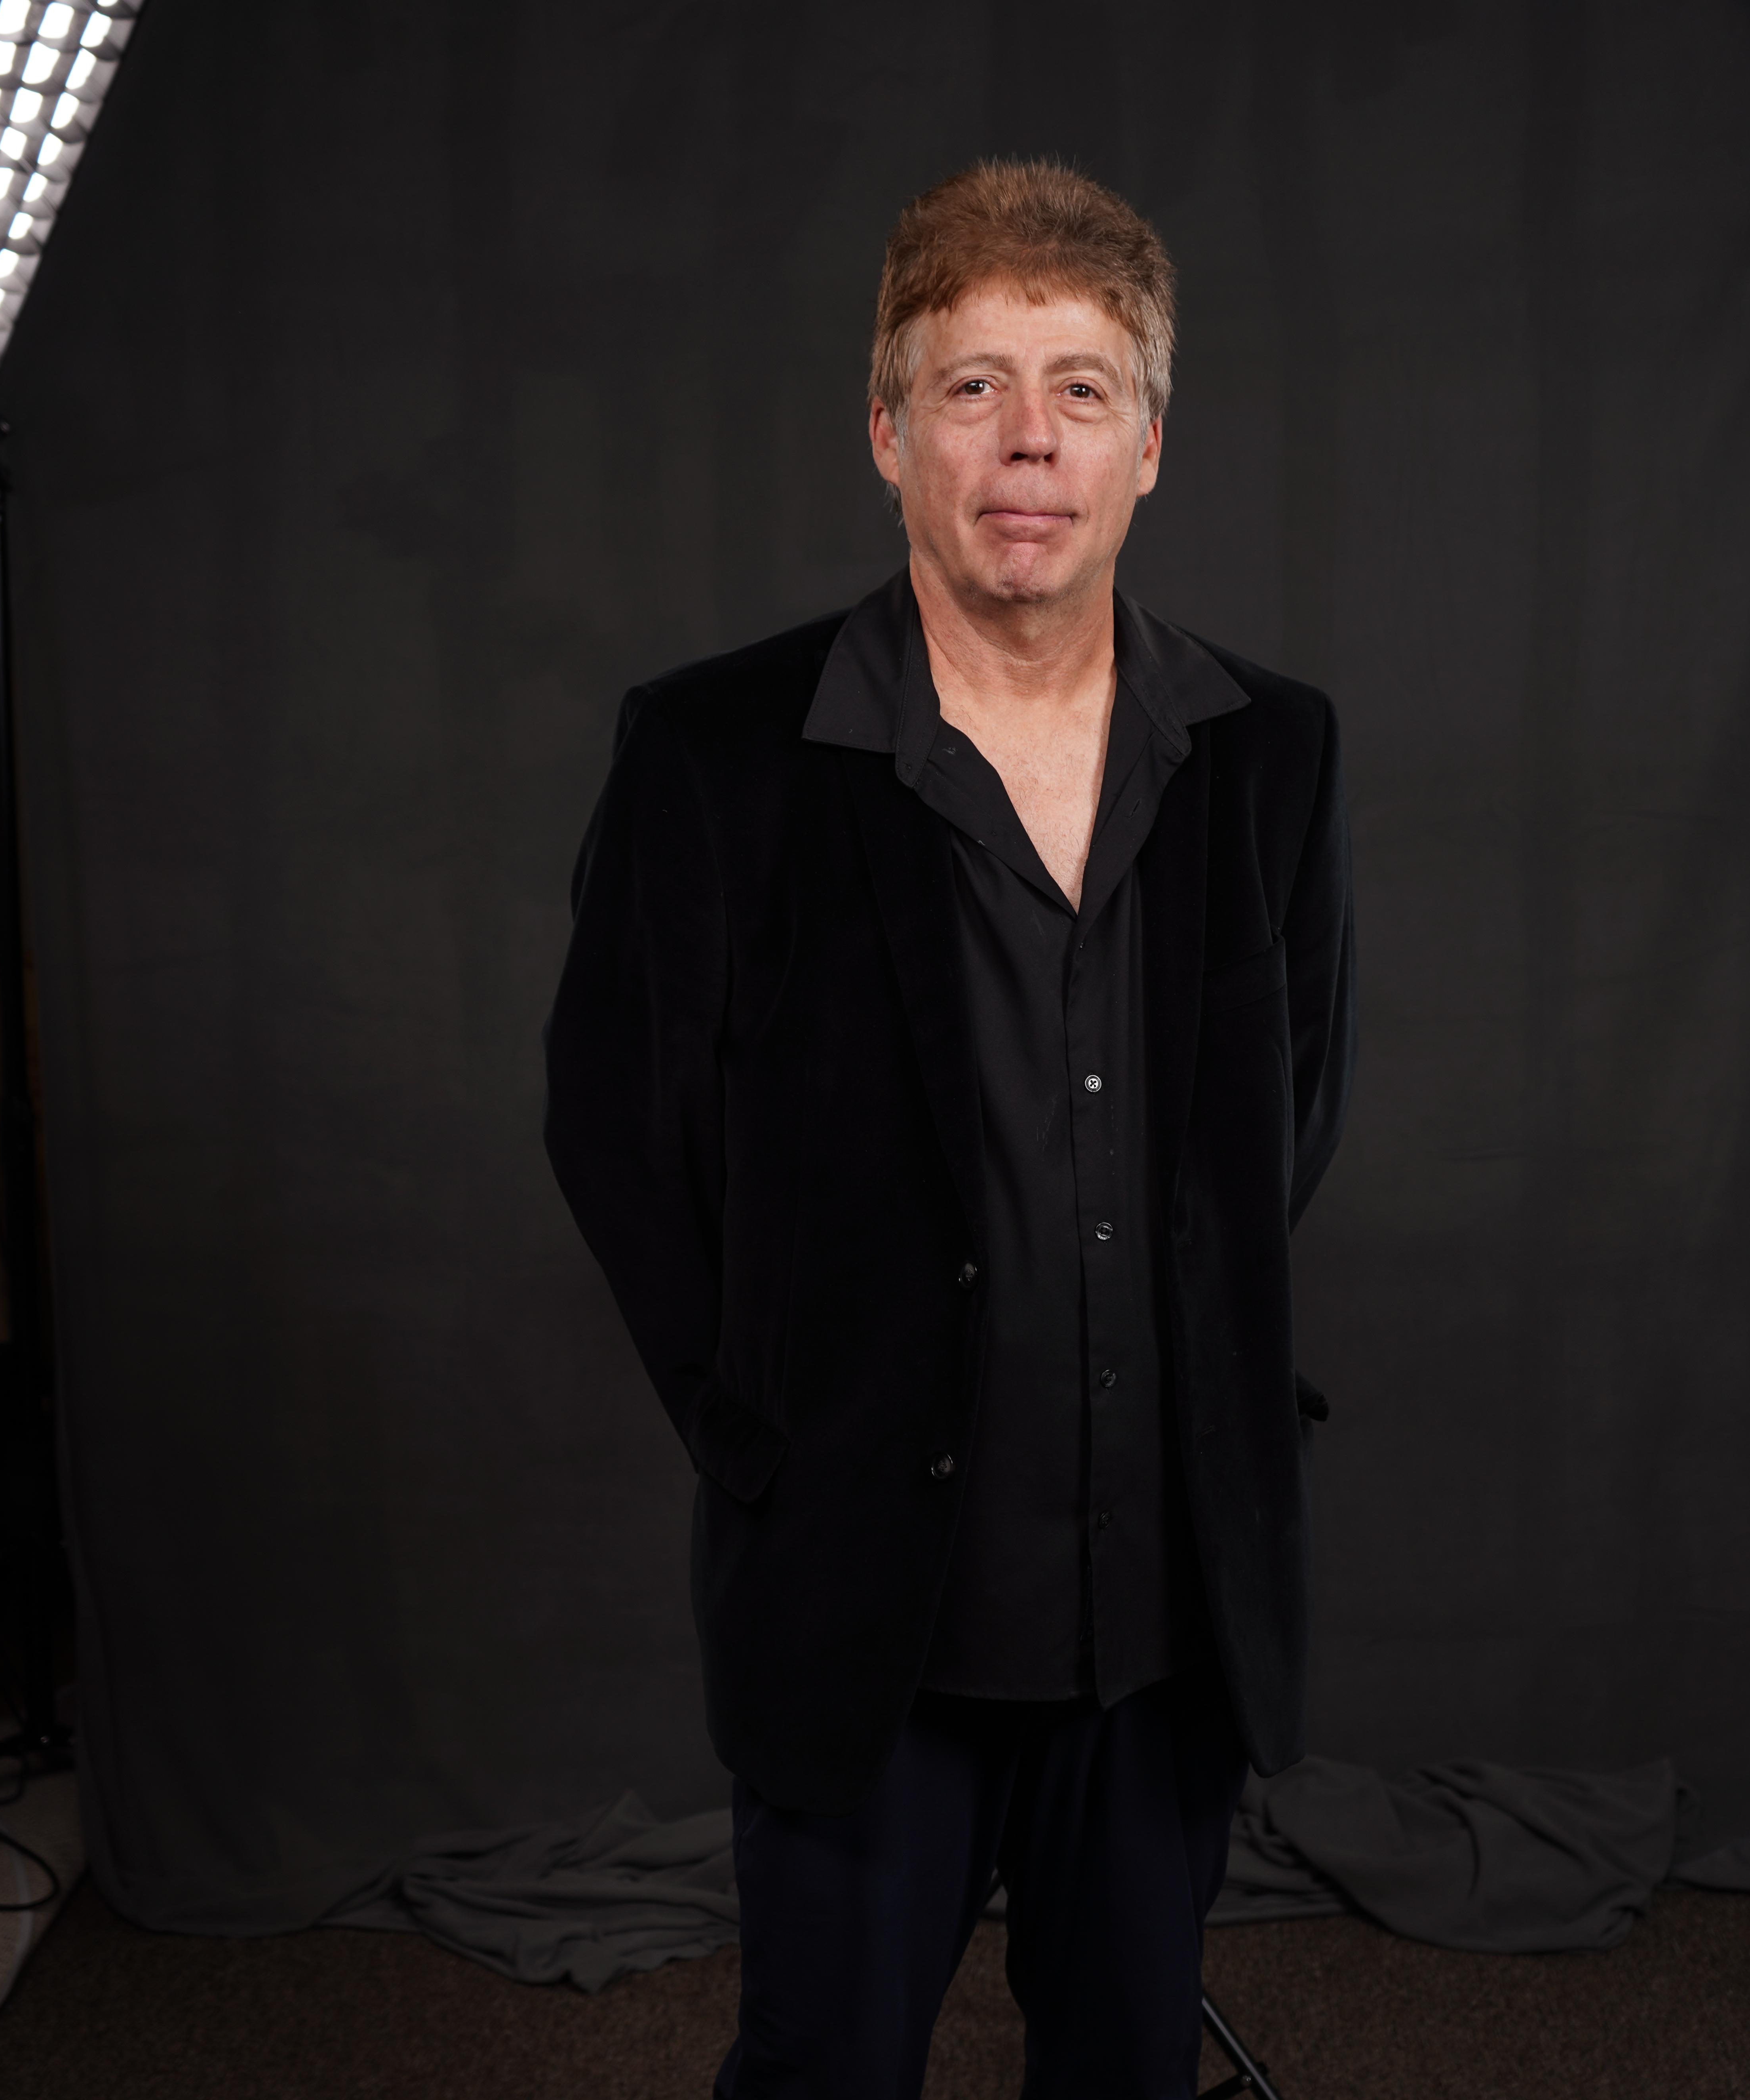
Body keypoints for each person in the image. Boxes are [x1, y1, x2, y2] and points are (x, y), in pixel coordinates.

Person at [543, 160, 1354, 2098]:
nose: (1027, 441)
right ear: (887, 429)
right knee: (822, 2072)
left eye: (1079, 389)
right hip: (862, 1603)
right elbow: (614, 1127)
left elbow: (1287, 1109)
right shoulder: (718, 750)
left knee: (1123, 2073)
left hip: (1160, 1617)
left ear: (1147, 447)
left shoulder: (1268, 750)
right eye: (974, 384)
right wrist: (759, 1426)